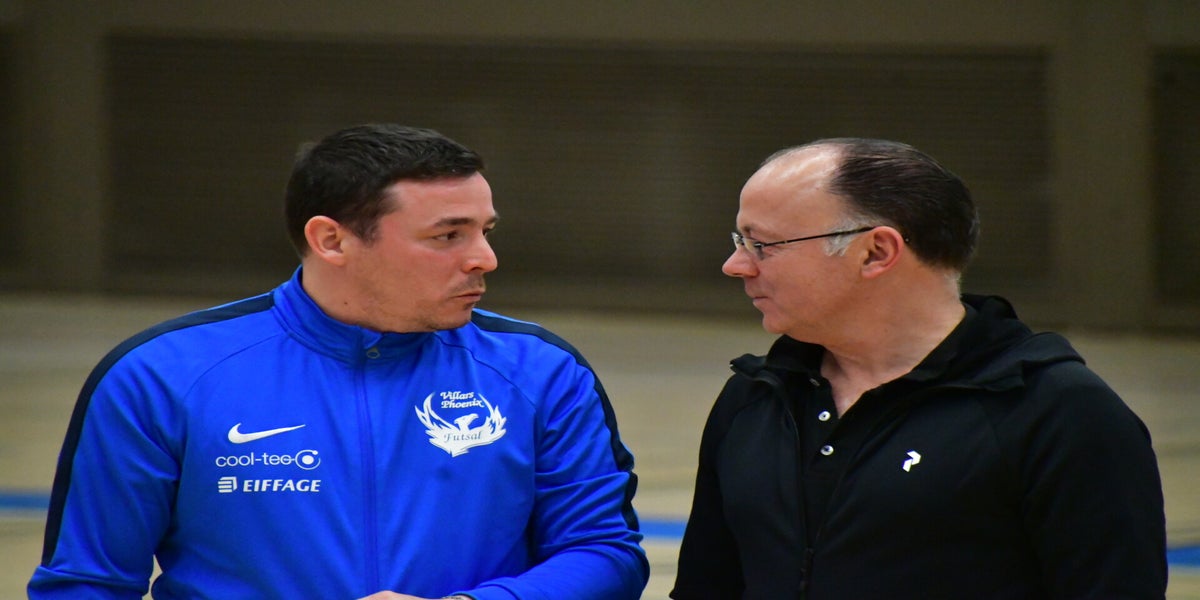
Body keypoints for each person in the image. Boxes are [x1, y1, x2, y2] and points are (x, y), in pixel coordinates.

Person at [29, 124, 649, 600]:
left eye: (486, 230)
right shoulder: (160, 376)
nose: (484, 258)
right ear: (331, 240)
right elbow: (85, 583)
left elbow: (604, 552)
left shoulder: (541, 372)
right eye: (448, 235)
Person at [671, 138, 1167, 599]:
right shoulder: (757, 397)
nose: (736, 265)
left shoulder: (1058, 413)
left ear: (876, 252)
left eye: (763, 244)